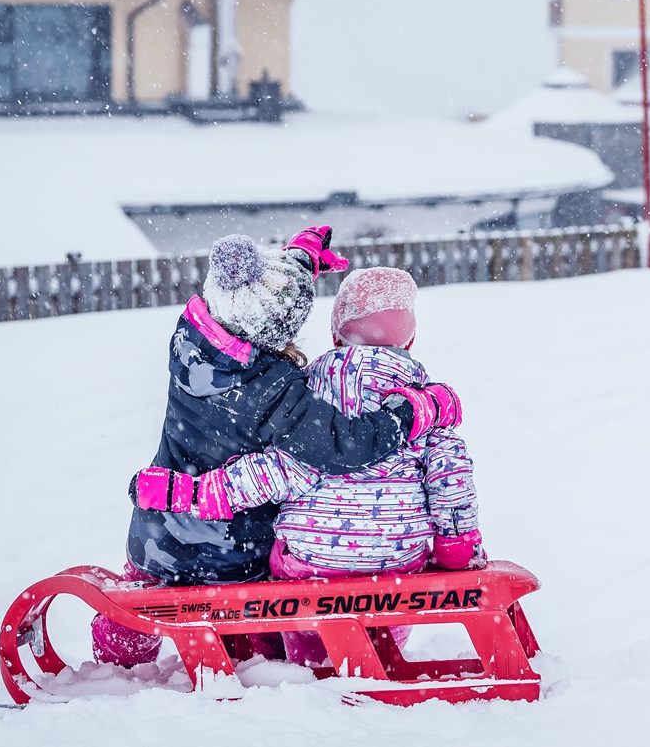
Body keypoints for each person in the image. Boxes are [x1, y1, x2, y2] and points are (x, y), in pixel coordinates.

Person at [95, 230, 456, 667]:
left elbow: (257, 296)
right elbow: (342, 444)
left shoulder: (192, 341)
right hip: (235, 553)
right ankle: (284, 662)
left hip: (158, 534)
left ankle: (113, 671)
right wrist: (410, 412)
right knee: (255, 643)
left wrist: (300, 257)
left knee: (140, 595)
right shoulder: (274, 393)